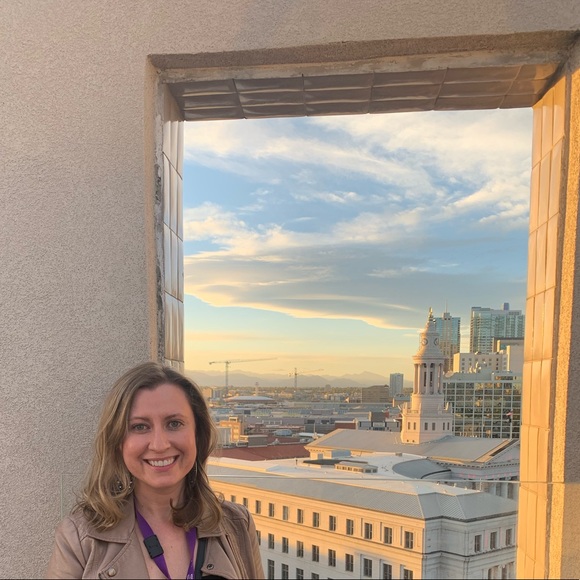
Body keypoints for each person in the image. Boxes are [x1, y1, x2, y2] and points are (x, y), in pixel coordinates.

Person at [46, 362, 264, 579]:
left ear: (198, 434)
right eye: (140, 427)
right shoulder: (80, 538)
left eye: (174, 424)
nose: (159, 445)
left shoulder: (238, 525)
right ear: (118, 441)